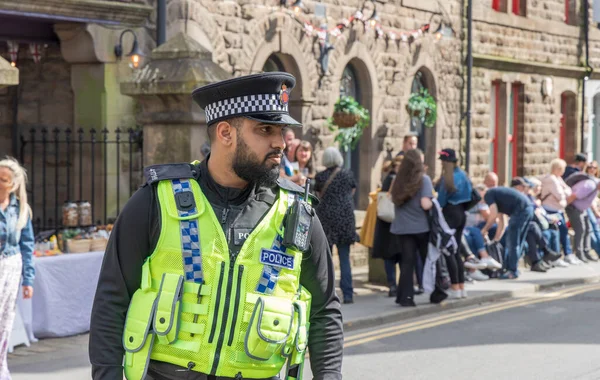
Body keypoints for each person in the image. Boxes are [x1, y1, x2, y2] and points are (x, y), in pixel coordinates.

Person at [89, 72, 343, 380]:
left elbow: (324, 309)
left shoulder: (297, 212)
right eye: (265, 129)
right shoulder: (156, 201)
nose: (279, 142)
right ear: (225, 133)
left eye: (282, 130)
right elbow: (112, 300)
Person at [0, 157, 35, 380]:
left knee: (5, 322)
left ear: (12, 185)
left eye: (2, 179)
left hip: (10, 269)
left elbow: (27, 245)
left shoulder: (21, 210)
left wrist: (28, 280)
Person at [390, 149, 434, 306]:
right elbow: (425, 204)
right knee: (428, 261)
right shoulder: (424, 179)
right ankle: (436, 292)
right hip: (421, 227)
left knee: (407, 263)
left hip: (401, 227)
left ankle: (405, 297)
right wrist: (434, 201)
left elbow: (392, 199)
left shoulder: (397, 180)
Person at [314, 147, 358, 304]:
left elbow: (318, 194)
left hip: (327, 220)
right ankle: (348, 294)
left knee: (327, 259)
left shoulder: (320, 177)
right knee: (345, 258)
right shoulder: (347, 174)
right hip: (345, 219)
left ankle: (328, 294)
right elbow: (352, 190)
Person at [434, 148, 471, 298]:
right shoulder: (463, 175)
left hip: (450, 213)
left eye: (442, 161)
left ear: (446, 162)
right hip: (462, 213)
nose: (442, 164)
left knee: (449, 250)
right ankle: (461, 287)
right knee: (456, 251)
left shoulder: (447, 179)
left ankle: (455, 287)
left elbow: (440, 201)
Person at [481, 185, 534, 279]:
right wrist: (496, 239)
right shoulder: (497, 195)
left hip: (520, 211)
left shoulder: (488, 194)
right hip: (528, 208)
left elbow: (493, 216)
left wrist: (484, 230)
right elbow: (502, 222)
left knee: (512, 243)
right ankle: (513, 268)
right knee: (518, 242)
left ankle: (512, 271)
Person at [372, 155, 403, 297]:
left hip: (386, 224)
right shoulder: (395, 179)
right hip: (395, 222)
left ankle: (393, 285)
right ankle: (397, 285)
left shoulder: (388, 178)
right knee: (400, 256)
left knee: (389, 257)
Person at [541, 158, 576, 267]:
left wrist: (564, 193)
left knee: (562, 231)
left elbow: (569, 190)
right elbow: (560, 195)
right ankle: (560, 255)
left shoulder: (558, 179)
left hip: (558, 210)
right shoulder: (551, 179)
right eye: (563, 169)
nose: (564, 171)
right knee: (560, 231)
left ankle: (566, 254)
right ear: (558, 168)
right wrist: (564, 194)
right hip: (551, 211)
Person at [565, 172, 600, 264]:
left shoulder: (595, 186)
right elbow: (573, 196)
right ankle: (579, 253)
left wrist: (595, 211)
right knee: (580, 230)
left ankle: (586, 251)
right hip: (574, 208)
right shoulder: (590, 185)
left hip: (582, 209)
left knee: (588, 229)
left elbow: (590, 200)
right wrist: (563, 206)